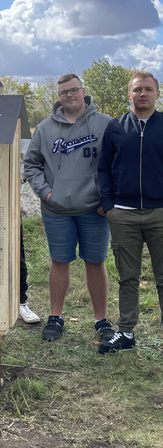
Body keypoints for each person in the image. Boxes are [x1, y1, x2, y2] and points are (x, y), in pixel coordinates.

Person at [24, 73, 115, 342]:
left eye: (74, 90)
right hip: (57, 209)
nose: (69, 96)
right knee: (59, 261)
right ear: (59, 96)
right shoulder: (45, 129)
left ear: (83, 91)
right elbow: (31, 165)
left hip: (94, 209)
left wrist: (108, 197)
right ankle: (56, 317)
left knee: (95, 262)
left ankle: (101, 319)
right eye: (64, 92)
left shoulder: (105, 124)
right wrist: (46, 193)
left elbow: (118, 163)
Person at [98, 71, 163, 353]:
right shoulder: (116, 127)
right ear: (130, 94)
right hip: (123, 214)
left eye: (148, 89)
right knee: (128, 277)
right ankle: (125, 333)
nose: (143, 94)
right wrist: (109, 204)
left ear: (157, 93)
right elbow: (103, 167)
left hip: (160, 212)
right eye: (137, 89)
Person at [0, 78, 40, 324]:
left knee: (15, 249)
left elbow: (28, 160)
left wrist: (17, 179)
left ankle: (20, 302)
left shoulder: (18, 125)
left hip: (8, 198)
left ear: (4, 97)